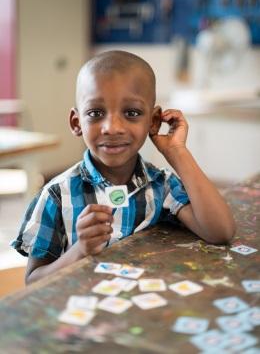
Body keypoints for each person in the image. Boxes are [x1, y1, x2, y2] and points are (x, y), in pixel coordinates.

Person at [12, 50, 236, 284]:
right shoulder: (57, 195)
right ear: (76, 122)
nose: (112, 128)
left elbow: (220, 232)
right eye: (96, 113)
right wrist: (79, 250)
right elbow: (33, 282)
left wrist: (177, 151)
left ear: (153, 121)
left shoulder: (161, 186)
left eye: (132, 113)